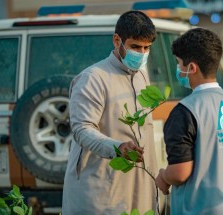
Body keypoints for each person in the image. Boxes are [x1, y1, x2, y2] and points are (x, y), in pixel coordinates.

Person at [155, 28, 223, 215]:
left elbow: (180, 173)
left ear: (192, 68)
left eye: (179, 64)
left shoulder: (184, 112)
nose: (178, 69)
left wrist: (163, 176)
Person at [62, 11, 158, 214]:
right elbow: (81, 129)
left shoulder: (142, 76)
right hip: (101, 191)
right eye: (135, 47)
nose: (141, 54)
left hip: (138, 187)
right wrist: (117, 147)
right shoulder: (93, 78)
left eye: (146, 48)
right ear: (117, 41)